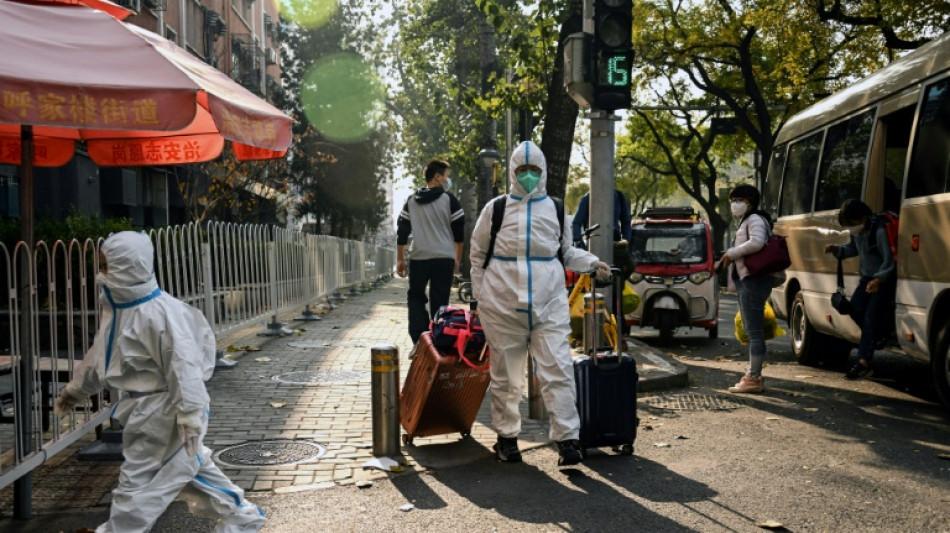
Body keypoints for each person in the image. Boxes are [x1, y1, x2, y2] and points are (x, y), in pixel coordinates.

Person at [53, 231, 266, 533]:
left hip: (163, 409)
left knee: (139, 480)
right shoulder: (120, 309)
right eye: (100, 266)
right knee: (186, 468)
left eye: (105, 266)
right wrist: (77, 390)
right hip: (150, 409)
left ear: (128, 266)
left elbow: (183, 367)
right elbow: (101, 354)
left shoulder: (160, 313)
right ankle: (243, 517)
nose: (100, 274)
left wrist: (190, 413)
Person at [469, 141, 611, 466]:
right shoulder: (497, 208)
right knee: (506, 377)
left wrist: (592, 263)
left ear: (543, 172)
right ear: (513, 172)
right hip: (502, 306)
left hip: (549, 305)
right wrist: (481, 297)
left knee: (558, 370)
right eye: (523, 170)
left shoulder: (556, 208)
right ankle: (507, 439)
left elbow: (567, 252)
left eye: (534, 170)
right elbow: (477, 254)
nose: (529, 176)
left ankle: (568, 440)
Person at [824, 199, 897, 380]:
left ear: (863, 217)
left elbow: (890, 260)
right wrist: (836, 249)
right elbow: (851, 250)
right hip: (867, 279)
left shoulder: (879, 231)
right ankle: (879, 334)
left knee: (871, 316)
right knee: (854, 308)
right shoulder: (859, 232)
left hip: (882, 280)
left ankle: (864, 361)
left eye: (852, 224)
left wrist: (880, 279)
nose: (851, 228)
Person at [396, 160, 465, 344]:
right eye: (446, 176)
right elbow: (459, 234)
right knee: (440, 300)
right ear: (437, 177)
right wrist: (456, 259)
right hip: (444, 258)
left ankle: (420, 338)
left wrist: (400, 260)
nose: (447, 179)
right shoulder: (450, 200)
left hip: (419, 257)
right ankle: (439, 338)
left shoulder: (411, 201)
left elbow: (402, 232)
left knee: (416, 297)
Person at [716, 184, 775, 394]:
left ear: (750, 201)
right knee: (753, 331)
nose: (734, 204)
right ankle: (754, 375)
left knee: (755, 332)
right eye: (733, 200)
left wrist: (731, 253)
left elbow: (757, 243)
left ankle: (754, 377)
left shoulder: (755, 220)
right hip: (749, 280)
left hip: (753, 280)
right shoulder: (748, 220)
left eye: (738, 200)